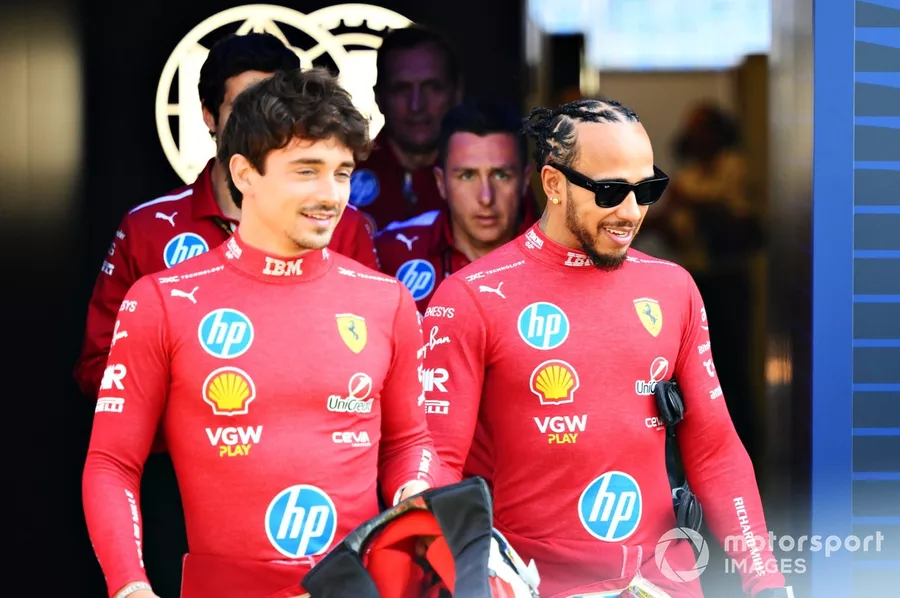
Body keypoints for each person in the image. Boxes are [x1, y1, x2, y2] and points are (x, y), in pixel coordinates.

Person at [82, 67, 435, 598]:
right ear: (244, 173)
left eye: (341, 172)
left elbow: (409, 441)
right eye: (306, 171)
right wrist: (129, 586)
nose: (330, 194)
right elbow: (112, 463)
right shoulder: (162, 300)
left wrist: (415, 493)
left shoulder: (387, 300)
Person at [420, 98, 790, 597]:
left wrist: (764, 578)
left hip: (662, 581)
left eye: (647, 189)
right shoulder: (470, 296)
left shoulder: (673, 288)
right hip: (531, 584)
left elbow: (715, 448)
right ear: (553, 184)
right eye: (611, 191)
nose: (631, 212)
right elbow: (437, 465)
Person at [375, 100, 536, 315]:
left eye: (501, 175)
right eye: (467, 176)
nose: (486, 197)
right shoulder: (390, 252)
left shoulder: (562, 257)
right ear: (440, 183)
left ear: (525, 180)